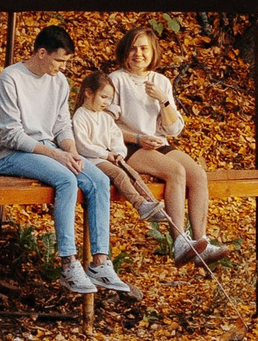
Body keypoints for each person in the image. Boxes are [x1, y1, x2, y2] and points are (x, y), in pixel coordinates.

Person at [0, 26, 133, 297]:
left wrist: (71, 151)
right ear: (42, 53)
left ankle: (100, 263)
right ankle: (68, 264)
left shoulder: (59, 82)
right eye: (59, 60)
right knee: (66, 179)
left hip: (50, 149)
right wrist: (57, 155)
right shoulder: (10, 79)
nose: (63, 67)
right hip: (13, 155)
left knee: (99, 180)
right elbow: (10, 135)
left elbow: (62, 125)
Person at [110, 25, 229, 266]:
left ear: (153, 52)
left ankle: (201, 242)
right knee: (176, 171)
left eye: (144, 48)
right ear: (125, 51)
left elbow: (173, 130)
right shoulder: (116, 80)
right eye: (133, 48)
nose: (138, 54)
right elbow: (105, 125)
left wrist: (163, 100)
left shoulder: (160, 81)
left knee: (198, 175)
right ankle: (180, 242)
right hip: (127, 144)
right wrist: (138, 138)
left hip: (157, 142)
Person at [74, 67, 179, 246]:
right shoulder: (80, 116)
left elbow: (116, 137)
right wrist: (107, 154)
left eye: (109, 99)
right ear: (88, 93)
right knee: (119, 174)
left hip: (108, 157)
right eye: (103, 97)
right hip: (92, 160)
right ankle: (140, 204)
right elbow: (83, 145)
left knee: (131, 172)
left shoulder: (105, 118)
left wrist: (119, 153)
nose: (106, 102)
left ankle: (151, 203)